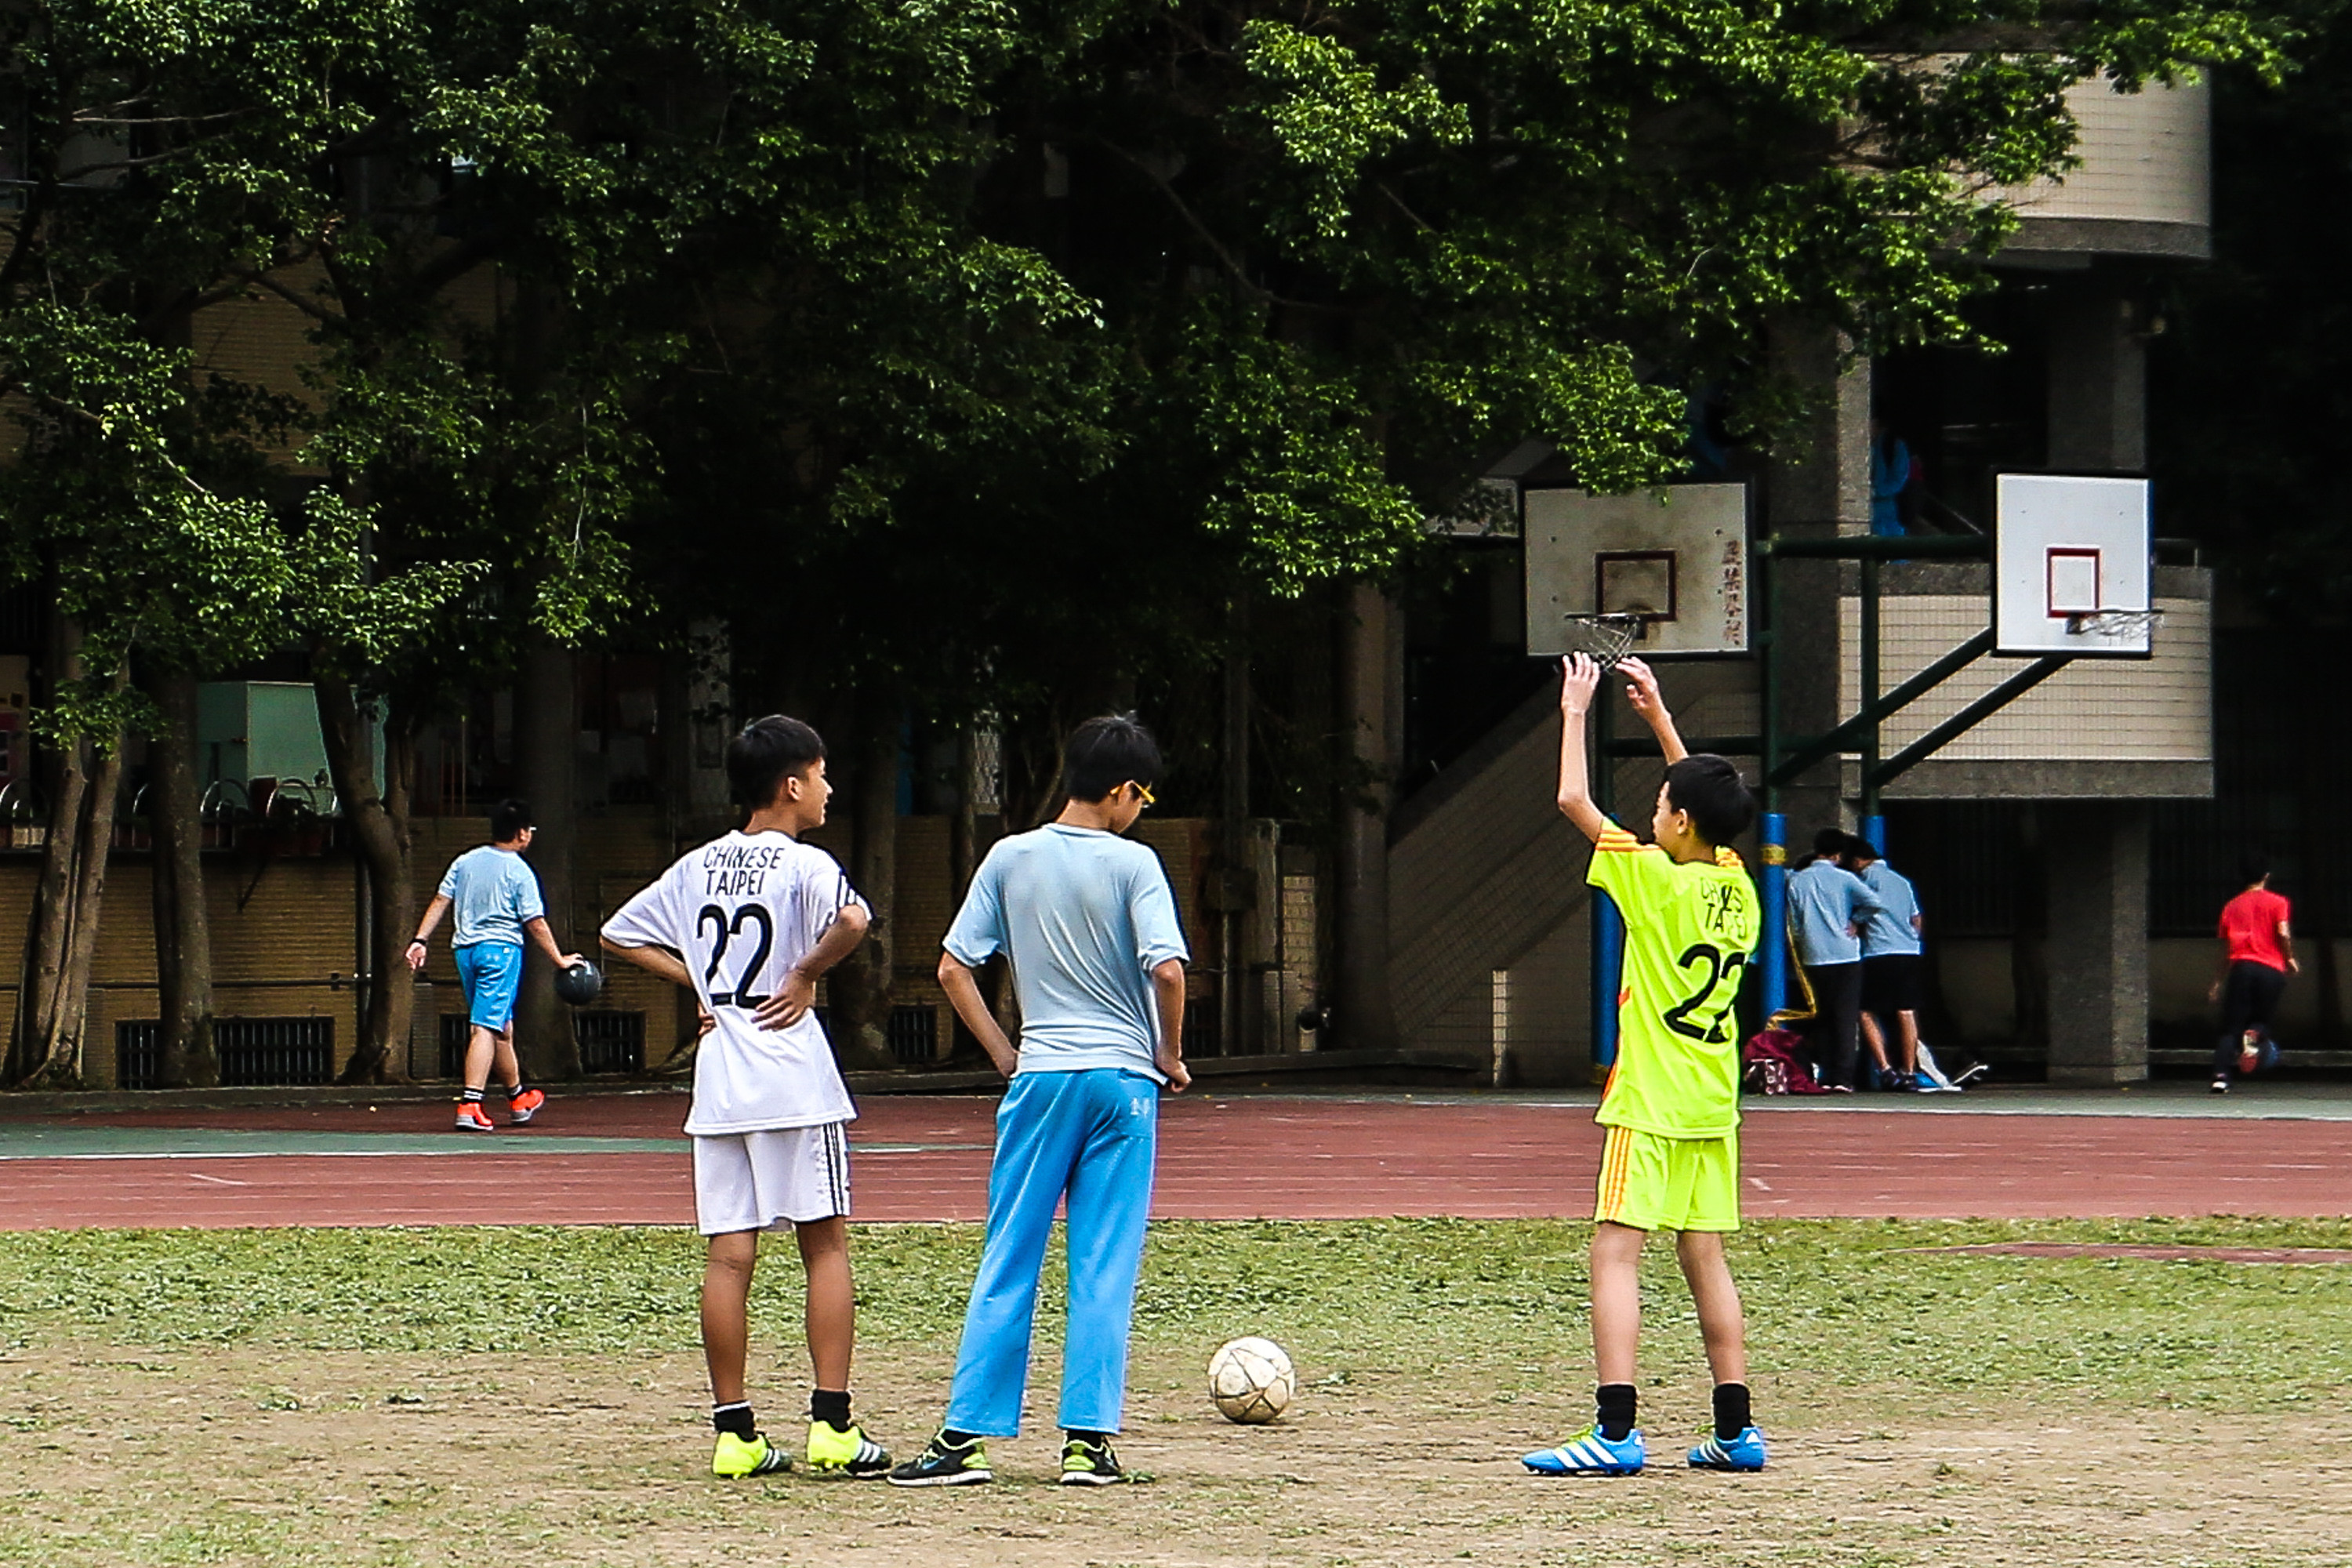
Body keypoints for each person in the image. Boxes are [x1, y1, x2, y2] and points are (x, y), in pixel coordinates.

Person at [889, 714, 1190, 1489]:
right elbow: (1167, 971)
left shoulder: (1009, 855)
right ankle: (1087, 1443)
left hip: (1043, 1075)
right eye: (1143, 795)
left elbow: (954, 968)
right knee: (1103, 1261)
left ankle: (964, 1438)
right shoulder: (1136, 863)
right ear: (1123, 790)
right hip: (1122, 1081)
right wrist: (1169, 1052)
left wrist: (1001, 1050)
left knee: (1010, 1252)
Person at [600, 715, 894, 1479]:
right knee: (824, 1243)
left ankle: (735, 1432)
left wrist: (696, 981)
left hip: (722, 1078)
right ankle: (832, 1423)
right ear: (792, 784)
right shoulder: (805, 863)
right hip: (794, 1078)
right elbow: (856, 919)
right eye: (822, 775)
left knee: (730, 1258)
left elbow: (615, 933)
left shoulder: (696, 866)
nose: (829, 789)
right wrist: (804, 972)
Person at [1523, 655, 1767, 1478]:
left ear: (1680, 822)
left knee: (1614, 1252)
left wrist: (1575, 712)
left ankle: (1616, 1430)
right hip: (1712, 1107)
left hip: (1650, 1101)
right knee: (1706, 1258)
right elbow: (1705, 802)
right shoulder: (1738, 882)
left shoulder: (1650, 875)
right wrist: (1662, 717)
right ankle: (1736, 1428)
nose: (1655, 808)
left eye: (1664, 803)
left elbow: (1570, 800)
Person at [407, 797, 582, 1131]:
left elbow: (440, 900)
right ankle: (470, 1104)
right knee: (484, 1028)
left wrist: (420, 940)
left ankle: (518, 1098)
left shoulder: (465, 861)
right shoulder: (519, 870)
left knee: (502, 1026)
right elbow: (535, 922)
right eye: (529, 830)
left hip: (465, 952)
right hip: (501, 952)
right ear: (521, 834)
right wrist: (559, 959)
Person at [1785, 827, 1881, 1091]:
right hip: (1845, 955)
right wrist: (1856, 922)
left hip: (1813, 956)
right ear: (1838, 854)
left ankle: (1824, 1074)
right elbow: (1874, 902)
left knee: (1822, 1017)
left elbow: (1793, 922)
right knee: (1845, 1018)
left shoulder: (1797, 881)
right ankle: (1843, 1078)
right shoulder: (1845, 879)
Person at [2209, 856, 2298, 1094]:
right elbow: (2283, 933)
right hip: (2272, 969)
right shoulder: (2278, 902)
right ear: (2266, 877)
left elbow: (2227, 949)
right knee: (2263, 1018)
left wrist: (2218, 982)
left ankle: (2221, 1077)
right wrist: (2289, 958)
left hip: (2241, 968)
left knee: (2230, 1028)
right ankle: (2256, 1033)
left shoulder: (2231, 906)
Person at [1846, 835, 1927, 1091]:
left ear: (1858, 860)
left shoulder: (1867, 878)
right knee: (1906, 1011)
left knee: (1864, 1010)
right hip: (1909, 951)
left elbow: (1872, 904)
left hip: (1880, 952)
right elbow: (1917, 920)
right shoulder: (1902, 881)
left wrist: (1856, 921)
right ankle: (1909, 1071)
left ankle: (1885, 1068)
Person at [1869, 412, 1912, 539]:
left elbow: (1898, 480)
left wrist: (1874, 492)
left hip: (1884, 507)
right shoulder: (1865, 446)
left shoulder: (1893, 446)